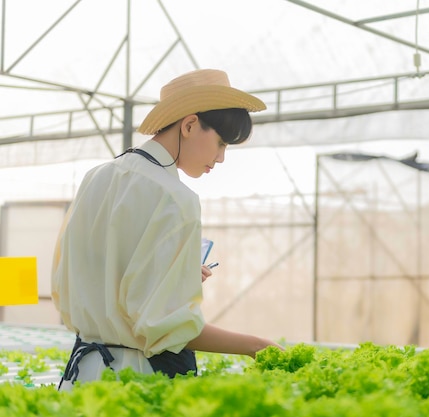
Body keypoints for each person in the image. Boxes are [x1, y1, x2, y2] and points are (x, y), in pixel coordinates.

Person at [51, 69, 283, 391]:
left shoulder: (97, 177)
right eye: (220, 143)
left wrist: (174, 273)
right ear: (189, 125)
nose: (221, 158)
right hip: (137, 384)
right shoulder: (176, 198)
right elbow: (167, 329)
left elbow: (89, 275)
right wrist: (257, 346)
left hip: (81, 376)